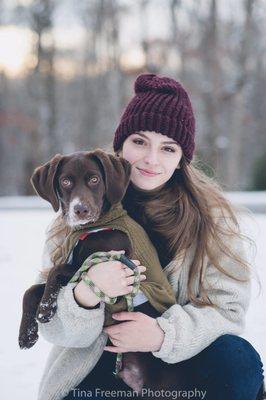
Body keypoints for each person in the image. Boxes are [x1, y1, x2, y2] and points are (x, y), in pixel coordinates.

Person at [36, 73, 264, 400]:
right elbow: (52, 327)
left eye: (168, 148)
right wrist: (85, 294)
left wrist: (161, 334)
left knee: (238, 358)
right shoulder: (75, 218)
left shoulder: (212, 220)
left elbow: (227, 311)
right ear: (120, 145)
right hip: (100, 370)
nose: (151, 159)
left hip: (181, 365)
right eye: (140, 142)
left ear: (181, 159)